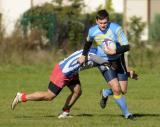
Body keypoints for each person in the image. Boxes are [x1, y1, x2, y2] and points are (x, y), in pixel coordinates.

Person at [11, 48, 103, 118]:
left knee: (77, 91)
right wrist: (106, 63)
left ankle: (65, 112)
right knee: (49, 96)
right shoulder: (95, 55)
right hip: (63, 72)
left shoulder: (95, 49)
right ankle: (21, 97)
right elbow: (93, 57)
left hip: (71, 72)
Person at [78, 9, 136, 119]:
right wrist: (83, 55)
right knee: (116, 89)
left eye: (105, 23)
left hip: (118, 59)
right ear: (96, 21)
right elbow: (88, 43)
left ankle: (105, 93)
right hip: (103, 61)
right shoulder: (92, 31)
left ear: (108, 21)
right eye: (100, 23)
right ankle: (127, 114)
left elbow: (127, 46)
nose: (103, 25)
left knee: (123, 90)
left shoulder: (116, 29)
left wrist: (116, 51)